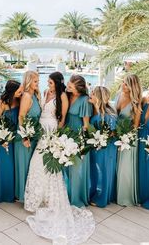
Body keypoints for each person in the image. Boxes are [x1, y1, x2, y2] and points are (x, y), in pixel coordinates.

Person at [24, 72, 95, 243]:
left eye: (49, 82)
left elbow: (62, 118)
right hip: (41, 130)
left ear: (56, 82)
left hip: (51, 131)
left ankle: (49, 197)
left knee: (45, 164)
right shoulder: (44, 92)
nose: (47, 84)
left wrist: (55, 136)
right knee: (37, 164)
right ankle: (36, 197)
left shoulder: (62, 95)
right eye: (46, 82)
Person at [64, 75, 93, 207]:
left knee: (76, 169)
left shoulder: (84, 100)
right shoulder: (67, 96)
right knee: (65, 166)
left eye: (70, 86)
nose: (67, 87)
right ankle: (66, 195)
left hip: (78, 136)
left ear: (78, 88)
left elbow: (86, 124)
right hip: (65, 134)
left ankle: (76, 197)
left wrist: (81, 142)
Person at [115, 74, 142, 206]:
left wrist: (126, 138)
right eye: (123, 83)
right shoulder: (118, 95)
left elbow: (136, 125)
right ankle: (114, 194)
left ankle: (125, 196)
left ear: (132, 86)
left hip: (128, 138)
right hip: (116, 135)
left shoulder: (136, 102)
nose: (123, 86)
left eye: (126, 84)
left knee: (125, 167)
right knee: (115, 166)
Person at [14, 71, 41, 202]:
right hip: (24, 137)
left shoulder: (34, 95)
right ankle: (23, 196)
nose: (38, 83)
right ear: (29, 81)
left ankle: (31, 194)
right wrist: (24, 137)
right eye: (35, 81)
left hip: (34, 135)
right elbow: (21, 116)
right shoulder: (26, 96)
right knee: (24, 165)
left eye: (38, 81)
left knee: (31, 166)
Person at [0, 80, 23, 202]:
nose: (21, 92)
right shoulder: (1, 103)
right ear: (12, 91)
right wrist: (1, 139)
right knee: (5, 166)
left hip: (16, 138)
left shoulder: (19, 100)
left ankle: (14, 193)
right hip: (4, 139)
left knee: (14, 166)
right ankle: (4, 194)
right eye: (19, 91)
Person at [89, 86, 117, 207]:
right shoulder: (94, 110)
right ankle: (95, 192)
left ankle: (103, 197)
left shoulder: (108, 114)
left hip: (106, 147)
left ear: (99, 97)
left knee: (104, 170)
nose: (90, 94)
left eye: (93, 93)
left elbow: (112, 132)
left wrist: (101, 140)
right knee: (96, 170)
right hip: (96, 146)